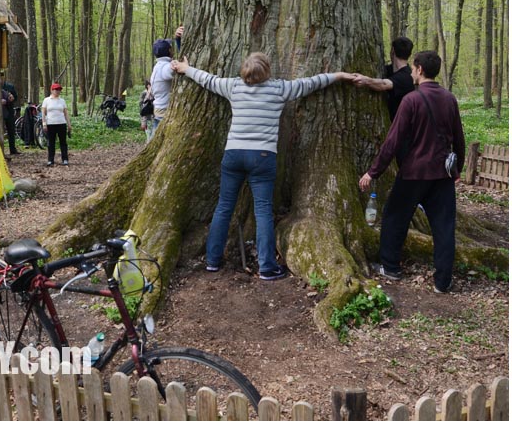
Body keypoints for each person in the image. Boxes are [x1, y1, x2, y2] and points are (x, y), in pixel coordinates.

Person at [171, 53, 355, 280]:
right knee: (263, 211)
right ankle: (267, 267)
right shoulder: (279, 89)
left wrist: (186, 69)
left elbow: (208, 80)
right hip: (262, 156)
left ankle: (212, 260)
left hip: (234, 154)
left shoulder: (233, 87)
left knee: (224, 207)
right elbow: (311, 83)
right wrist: (338, 75)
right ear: (267, 71)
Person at [358, 51, 465, 294]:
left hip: (414, 172)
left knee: (395, 217)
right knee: (444, 227)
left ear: (418, 69)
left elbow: (392, 142)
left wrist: (373, 172)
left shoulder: (411, 101)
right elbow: (459, 139)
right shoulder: (449, 99)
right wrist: (458, 169)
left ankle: (391, 267)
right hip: (442, 174)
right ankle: (442, 281)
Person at [353, 37, 415, 123]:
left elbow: (383, 84)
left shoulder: (407, 76)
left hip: (401, 128)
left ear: (392, 51)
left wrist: (365, 80)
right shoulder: (388, 70)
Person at [149, 25, 184, 138]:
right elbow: (168, 72)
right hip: (164, 110)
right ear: (169, 50)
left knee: (156, 136)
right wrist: (174, 66)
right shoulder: (164, 67)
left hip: (159, 108)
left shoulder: (157, 66)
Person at [41, 83, 72, 166]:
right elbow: (43, 113)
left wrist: (69, 124)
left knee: (63, 142)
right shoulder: (46, 100)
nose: (58, 91)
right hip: (50, 124)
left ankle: (65, 159)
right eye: (56, 89)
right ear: (52, 90)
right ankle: (50, 160)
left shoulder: (62, 101)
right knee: (51, 143)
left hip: (61, 123)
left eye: (59, 90)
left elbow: (66, 113)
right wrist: (44, 124)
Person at [1, 76, 20, 155]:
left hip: (9, 111)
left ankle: (12, 149)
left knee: (11, 130)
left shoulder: (10, 86)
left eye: (1, 78)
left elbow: (15, 97)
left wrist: (13, 98)